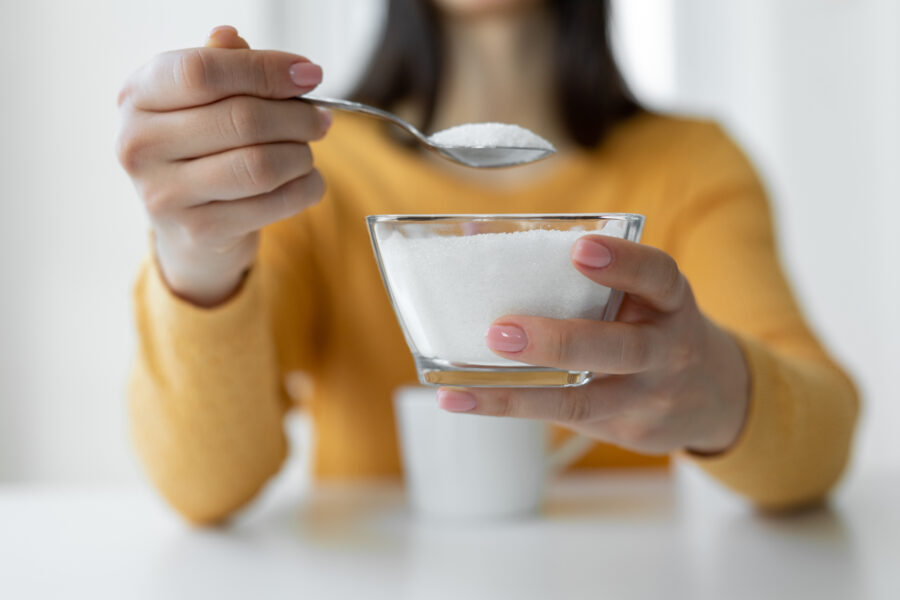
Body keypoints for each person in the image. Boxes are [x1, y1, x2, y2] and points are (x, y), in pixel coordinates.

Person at [117, 0, 858, 524]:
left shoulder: (692, 166)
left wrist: (722, 389)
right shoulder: (306, 175)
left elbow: (821, 445)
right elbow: (203, 488)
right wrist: (197, 251)